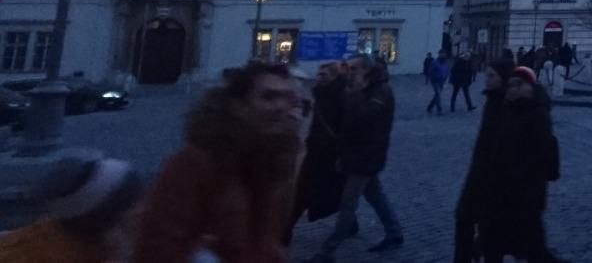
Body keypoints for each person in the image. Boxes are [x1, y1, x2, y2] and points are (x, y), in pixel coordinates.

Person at [135, 61, 302, 262]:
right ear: (239, 106)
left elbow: (266, 241)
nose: (281, 106)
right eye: (269, 97)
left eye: (287, 98)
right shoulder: (194, 163)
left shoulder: (272, 163)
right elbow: (158, 245)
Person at [312, 55, 403, 261]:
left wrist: (354, 92)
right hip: (356, 155)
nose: (349, 73)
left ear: (366, 71)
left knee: (348, 204)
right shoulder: (361, 89)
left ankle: (328, 250)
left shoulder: (381, 92)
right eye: (348, 68)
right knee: (375, 195)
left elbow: (363, 118)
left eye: (354, 69)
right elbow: (346, 124)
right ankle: (394, 232)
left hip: (366, 157)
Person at [480, 66, 563, 263]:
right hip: (510, 188)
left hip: (525, 189)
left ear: (530, 86)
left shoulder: (537, 114)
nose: (513, 89)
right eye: (511, 85)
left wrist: (517, 174)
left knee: (532, 246)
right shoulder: (511, 109)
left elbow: (539, 152)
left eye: (518, 85)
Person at [0, 156, 142, 262]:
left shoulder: (53, 233)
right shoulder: (59, 256)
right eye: (132, 203)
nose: (143, 208)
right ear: (108, 222)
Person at [454, 61, 513, 263]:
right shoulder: (492, 101)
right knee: (465, 220)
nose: (486, 80)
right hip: (479, 174)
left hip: (494, 179)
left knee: (490, 233)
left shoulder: (506, 105)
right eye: (487, 75)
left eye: (491, 76)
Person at [285, 61, 348, 245]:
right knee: (304, 190)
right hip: (315, 150)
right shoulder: (319, 94)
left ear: (334, 77)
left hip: (331, 153)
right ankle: (286, 231)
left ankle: (286, 230)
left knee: (313, 191)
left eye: (324, 75)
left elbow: (345, 128)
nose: (319, 78)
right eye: (319, 74)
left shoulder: (342, 97)